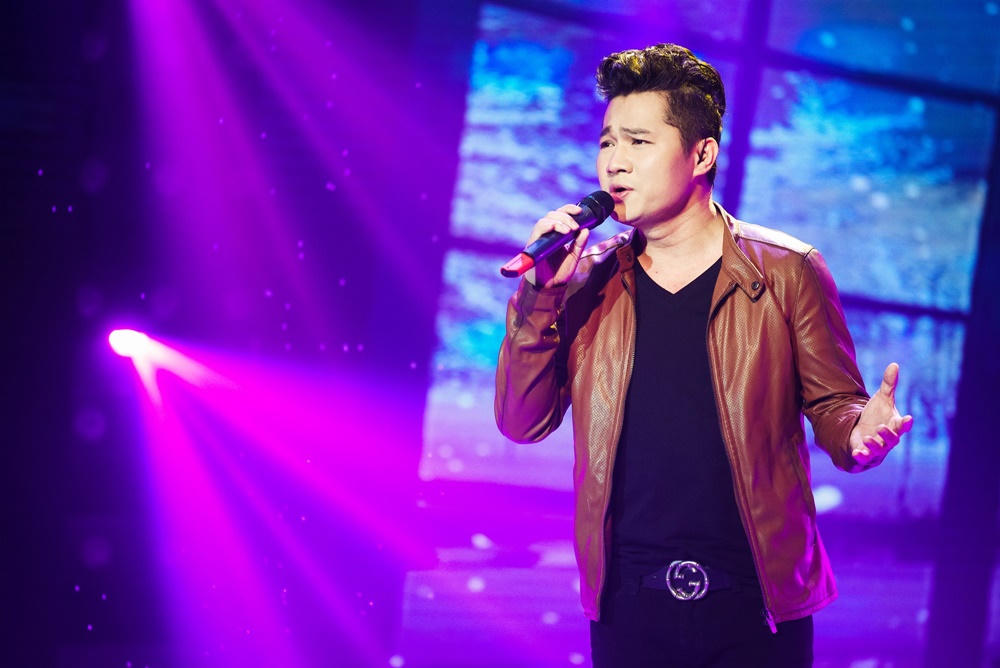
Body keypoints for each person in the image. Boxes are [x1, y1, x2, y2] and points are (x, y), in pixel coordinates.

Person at [494, 43, 914, 667]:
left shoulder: (787, 272)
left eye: (638, 142)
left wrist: (858, 432)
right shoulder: (583, 282)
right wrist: (539, 299)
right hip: (627, 604)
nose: (614, 162)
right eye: (607, 142)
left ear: (702, 155)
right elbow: (521, 422)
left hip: (756, 604)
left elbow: (835, 404)